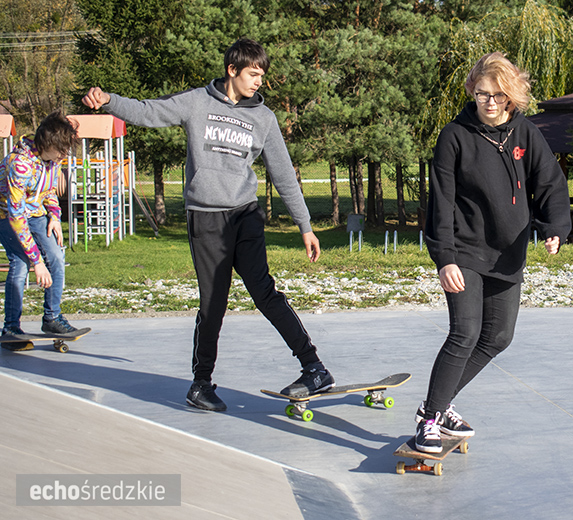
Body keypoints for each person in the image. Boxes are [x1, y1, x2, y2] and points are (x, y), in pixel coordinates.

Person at [81, 38, 334, 411]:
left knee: (264, 291)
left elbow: (282, 172)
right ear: (232, 70)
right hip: (206, 217)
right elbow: (150, 112)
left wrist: (305, 225)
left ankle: (314, 368)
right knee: (213, 303)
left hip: (245, 214)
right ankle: (201, 385)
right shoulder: (196, 102)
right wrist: (109, 101)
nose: (258, 82)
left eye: (262, 75)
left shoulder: (263, 118)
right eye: (253, 74)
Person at [414, 53, 572, 453]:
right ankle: (429, 419)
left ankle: (441, 402)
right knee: (464, 332)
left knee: (498, 337)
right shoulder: (455, 136)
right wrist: (444, 256)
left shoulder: (526, 134)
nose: (489, 102)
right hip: (465, 252)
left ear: (511, 96)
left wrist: (554, 227)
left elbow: (550, 183)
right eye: (482, 93)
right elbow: (442, 201)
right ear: (472, 91)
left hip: (507, 254)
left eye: (497, 95)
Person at [0, 110, 86, 350]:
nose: (63, 155)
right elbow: (16, 216)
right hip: (6, 214)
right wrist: (36, 261)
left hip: (35, 212)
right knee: (20, 261)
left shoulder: (52, 162)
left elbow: (48, 191)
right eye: (61, 149)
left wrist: (55, 217)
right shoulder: (20, 165)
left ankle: (52, 318)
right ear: (47, 143)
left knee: (57, 255)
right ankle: (11, 327)